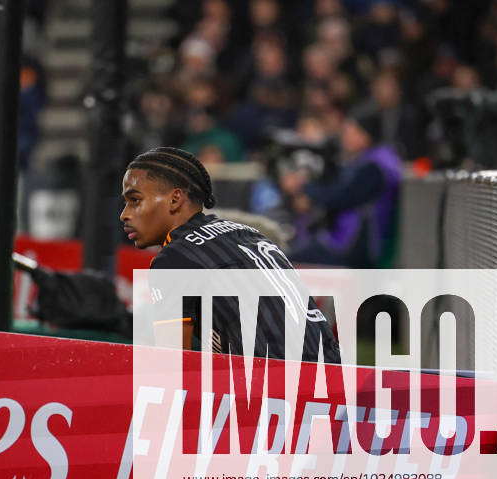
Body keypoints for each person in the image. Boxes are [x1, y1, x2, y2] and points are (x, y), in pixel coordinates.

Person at [119, 147, 338, 360]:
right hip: (335, 376)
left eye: (135, 200)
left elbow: (173, 366)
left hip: (275, 386)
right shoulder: (249, 232)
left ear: (175, 199)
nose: (124, 215)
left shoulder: (175, 258)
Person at [283, 106, 402, 268]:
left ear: (364, 134)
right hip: (354, 242)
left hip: (356, 247)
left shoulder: (374, 167)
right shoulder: (374, 158)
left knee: (285, 260)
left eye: (349, 132)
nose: (344, 137)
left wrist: (303, 187)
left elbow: (341, 196)